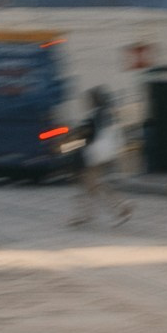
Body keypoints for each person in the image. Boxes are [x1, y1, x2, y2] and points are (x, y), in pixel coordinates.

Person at [67, 86, 131, 227]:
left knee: (94, 185)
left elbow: (86, 135)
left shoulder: (95, 116)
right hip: (104, 154)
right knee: (92, 186)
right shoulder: (107, 113)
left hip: (94, 155)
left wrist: (71, 141)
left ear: (93, 101)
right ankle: (86, 215)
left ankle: (122, 207)